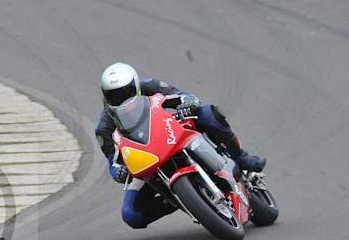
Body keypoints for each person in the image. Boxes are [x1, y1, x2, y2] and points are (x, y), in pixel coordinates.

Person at [95, 62, 267, 229]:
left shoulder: (150, 86)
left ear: (136, 84)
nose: (121, 99)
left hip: (171, 133)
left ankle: (240, 156)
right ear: (106, 96)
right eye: (114, 96)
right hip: (147, 161)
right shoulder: (104, 127)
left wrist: (187, 103)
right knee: (130, 214)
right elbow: (113, 160)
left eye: (126, 92)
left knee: (207, 113)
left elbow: (182, 95)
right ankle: (178, 201)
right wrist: (118, 170)